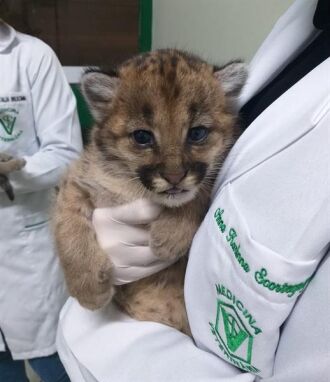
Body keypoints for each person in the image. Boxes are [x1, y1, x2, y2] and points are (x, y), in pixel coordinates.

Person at [56, 0, 329, 380]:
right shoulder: (305, 23)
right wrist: (79, 248)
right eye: (142, 137)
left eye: (196, 134)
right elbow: (74, 186)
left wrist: (191, 206)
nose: (173, 171)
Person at [0, 19, 83, 382]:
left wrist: (15, 171)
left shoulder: (32, 57)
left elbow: (67, 153)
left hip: (25, 250)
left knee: (56, 363)